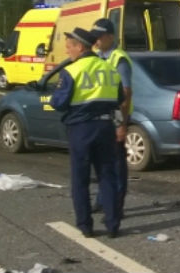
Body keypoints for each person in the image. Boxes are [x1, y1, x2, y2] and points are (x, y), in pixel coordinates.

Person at [50, 27, 123, 238]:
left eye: (69, 47)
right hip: (106, 127)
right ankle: (113, 225)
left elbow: (59, 103)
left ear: (80, 47)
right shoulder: (109, 68)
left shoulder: (72, 70)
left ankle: (85, 226)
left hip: (81, 128)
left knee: (80, 179)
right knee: (107, 176)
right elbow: (118, 97)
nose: (67, 52)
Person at [90, 18, 132, 217]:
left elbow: (126, 93)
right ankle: (102, 199)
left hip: (116, 115)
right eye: (95, 36)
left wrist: (122, 124)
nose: (96, 40)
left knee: (116, 163)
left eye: (100, 36)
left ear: (110, 36)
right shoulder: (98, 56)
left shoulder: (119, 58)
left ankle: (117, 204)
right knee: (102, 161)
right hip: (101, 116)